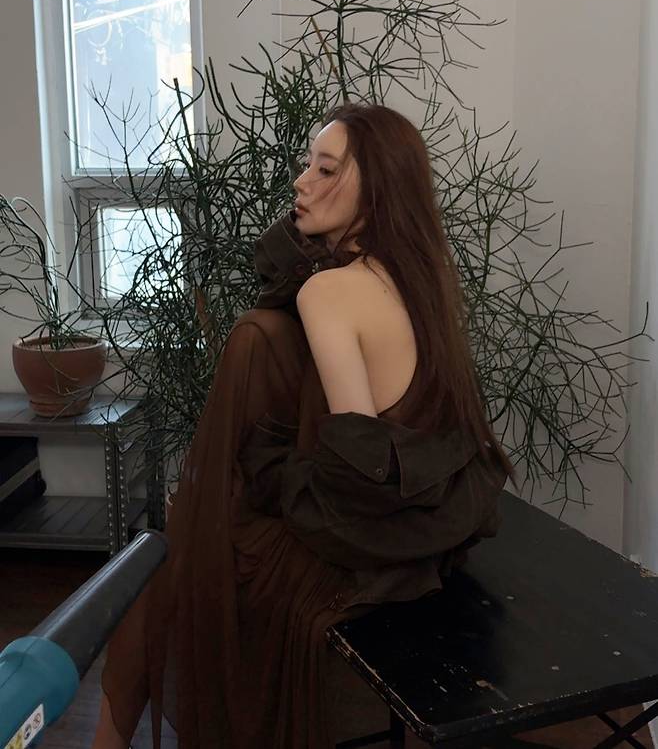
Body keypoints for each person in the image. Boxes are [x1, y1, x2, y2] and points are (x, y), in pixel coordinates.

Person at [91, 102, 518, 749]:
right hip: (423, 530)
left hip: (365, 540)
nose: (301, 181)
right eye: (307, 164)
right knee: (173, 568)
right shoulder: (417, 274)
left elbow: (354, 476)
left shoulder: (331, 292)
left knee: (167, 580)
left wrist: (263, 479)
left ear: (377, 188)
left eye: (326, 168)